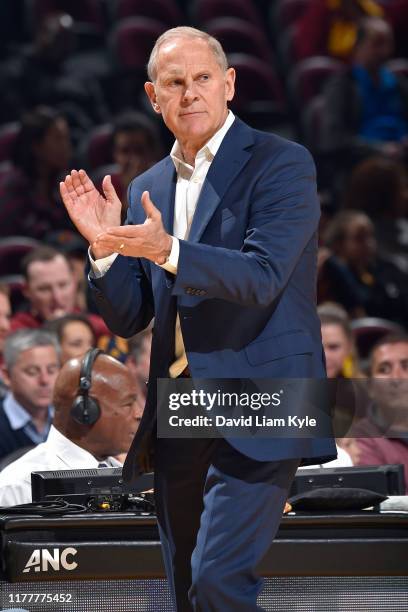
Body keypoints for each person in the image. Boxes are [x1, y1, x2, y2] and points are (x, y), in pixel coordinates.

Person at [60, 26, 336, 612]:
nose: (190, 93)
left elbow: (261, 277)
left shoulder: (282, 163)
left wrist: (166, 250)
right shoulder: (148, 186)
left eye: (203, 78)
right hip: (183, 403)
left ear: (230, 84)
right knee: (187, 586)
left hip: (266, 397)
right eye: (174, 82)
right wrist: (106, 249)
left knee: (218, 581)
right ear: (152, 96)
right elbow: (132, 317)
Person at [0, 349, 143, 506]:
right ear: (85, 411)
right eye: (128, 404)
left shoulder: (134, 480)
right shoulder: (18, 488)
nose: (139, 414)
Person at [321, 17, 408, 164]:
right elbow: (334, 139)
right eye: (377, 44)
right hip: (364, 161)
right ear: (358, 46)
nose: (385, 51)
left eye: (389, 43)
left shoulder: (398, 83)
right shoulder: (342, 85)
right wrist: (379, 149)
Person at [0, 106, 72, 239]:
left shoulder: (64, 182)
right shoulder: (13, 189)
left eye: (66, 138)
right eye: (58, 139)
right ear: (36, 146)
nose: (66, 146)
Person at [11, 245, 109, 341]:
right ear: (26, 290)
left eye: (63, 285)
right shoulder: (13, 334)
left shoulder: (100, 330)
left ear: (74, 281)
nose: (57, 297)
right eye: (44, 289)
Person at [351, 333, 408, 492]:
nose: (397, 378)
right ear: (370, 387)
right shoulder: (360, 440)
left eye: (406, 366)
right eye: (384, 369)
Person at [0, 329, 60, 462]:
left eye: (51, 370)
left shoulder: (71, 421)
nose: (44, 380)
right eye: (32, 372)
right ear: (6, 375)